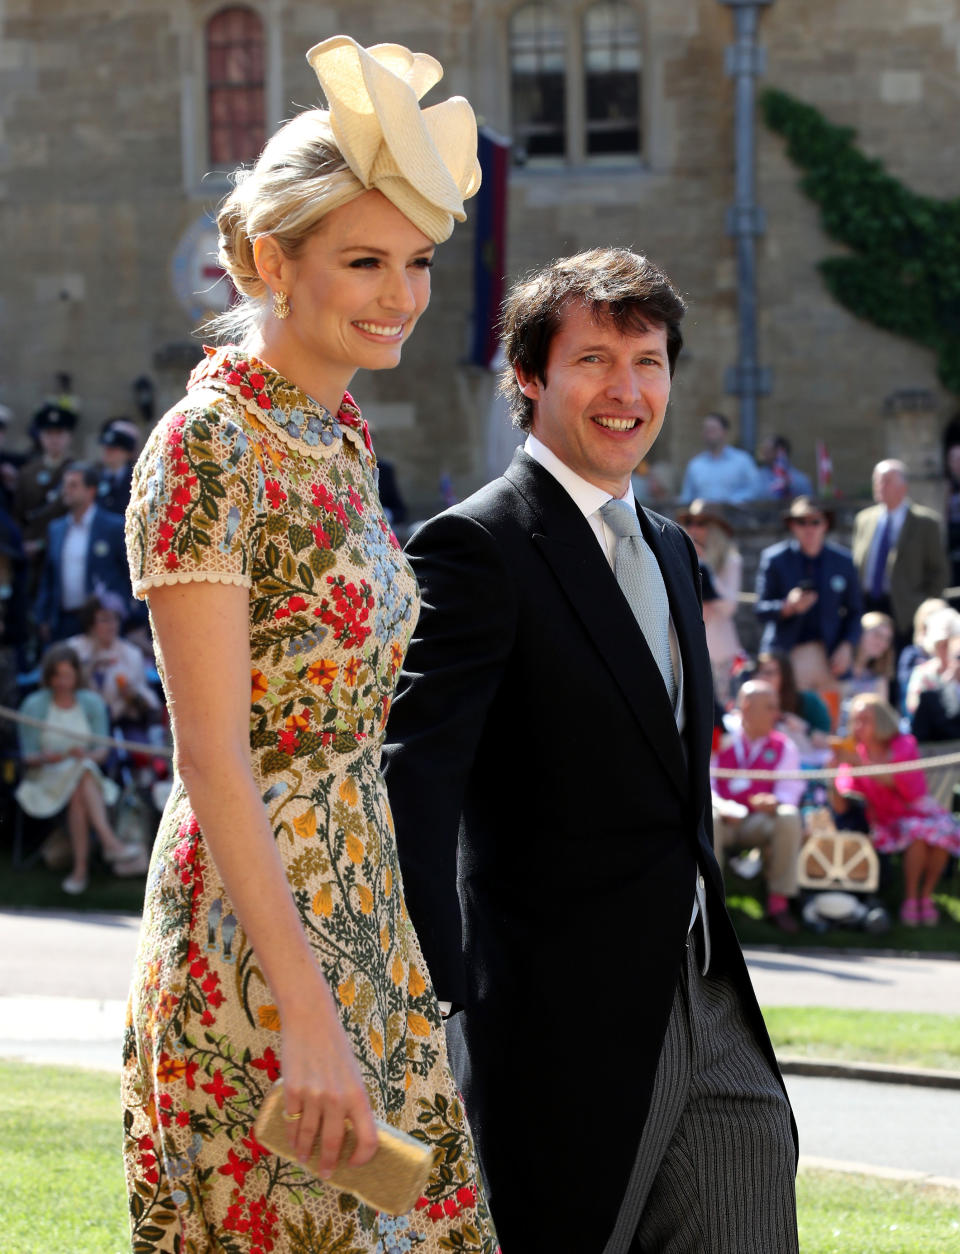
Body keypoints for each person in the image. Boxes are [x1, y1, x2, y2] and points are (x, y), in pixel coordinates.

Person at [120, 36, 498, 1254]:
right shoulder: (205, 447)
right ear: (269, 262)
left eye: (418, 262)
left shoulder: (338, 447)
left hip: (364, 906)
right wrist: (307, 1012)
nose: (400, 293)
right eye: (363, 261)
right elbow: (213, 759)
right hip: (256, 937)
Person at [382, 248, 798, 1253]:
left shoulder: (669, 546)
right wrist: (427, 1011)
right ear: (530, 377)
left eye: (648, 360)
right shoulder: (472, 548)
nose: (628, 389)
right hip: (556, 1023)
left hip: (709, 999)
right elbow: (416, 790)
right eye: (595, 359)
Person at [15, 643, 138, 893]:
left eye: (68, 675)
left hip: (84, 776)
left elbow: (102, 752)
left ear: (77, 676)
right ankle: (109, 843)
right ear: (49, 677)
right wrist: (48, 758)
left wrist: (86, 754)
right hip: (45, 779)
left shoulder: (91, 703)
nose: (63, 682)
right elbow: (27, 757)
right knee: (82, 776)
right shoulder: (34, 705)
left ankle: (80, 871)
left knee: (81, 777)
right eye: (57, 675)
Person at [833, 692, 960, 926]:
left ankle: (926, 896)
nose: (858, 726)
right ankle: (911, 898)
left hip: (916, 811)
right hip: (883, 820)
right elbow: (845, 797)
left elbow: (910, 792)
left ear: (881, 720)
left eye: (865, 720)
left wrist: (862, 766)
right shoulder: (854, 751)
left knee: (942, 831)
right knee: (918, 835)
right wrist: (834, 771)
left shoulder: (903, 745)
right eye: (855, 720)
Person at [712, 680, 804, 932]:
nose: (777, 714)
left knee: (788, 816)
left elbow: (790, 791)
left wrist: (776, 803)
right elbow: (704, 783)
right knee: (708, 816)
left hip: (757, 822)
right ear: (747, 706)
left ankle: (779, 902)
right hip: (722, 820)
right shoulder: (720, 736)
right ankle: (712, 905)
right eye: (770, 707)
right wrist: (723, 806)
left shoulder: (784, 745)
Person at [754, 495, 862, 691]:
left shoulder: (843, 561)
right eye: (801, 522)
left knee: (832, 720)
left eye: (815, 521)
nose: (809, 528)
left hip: (830, 657)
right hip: (788, 655)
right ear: (792, 525)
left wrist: (847, 646)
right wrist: (788, 606)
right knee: (789, 719)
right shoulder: (775, 559)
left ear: (825, 524)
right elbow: (760, 609)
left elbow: (855, 611)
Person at [852, 459, 947, 652]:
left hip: (906, 611)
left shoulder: (925, 523)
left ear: (903, 487)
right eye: (876, 480)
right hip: (868, 606)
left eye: (885, 481)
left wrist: (923, 607)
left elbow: (939, 572)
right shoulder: (864, 519)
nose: (879, 486)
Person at [34, 461, 130, 643]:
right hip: (62, 620)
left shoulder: (113, 527)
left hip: (100, 622)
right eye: (65, 485)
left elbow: (128, 573)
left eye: (73, 485)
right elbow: (48, 576)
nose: (66, 490)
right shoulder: (56, 529)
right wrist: (43, 617)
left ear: (91, 490)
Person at [676, 498, 742, 704]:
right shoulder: (680, 554)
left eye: (701, 523)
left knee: (721, 711)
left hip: (720, 650)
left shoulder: (730, 560)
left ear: (714, 528)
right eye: (690, 523)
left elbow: (729, 605)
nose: (694, 529)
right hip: (688, 645)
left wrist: (706, 568)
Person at [66, 593, 161, 729]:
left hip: (123, 721)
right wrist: (91, 667)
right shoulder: (74, 648)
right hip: (80, 722)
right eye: (105, 620)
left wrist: (132, 695)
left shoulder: (132, 653)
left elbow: (147, 698)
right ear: (91, 623)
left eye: (115, 619)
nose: (112, 625)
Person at [753, 648, 832, 747]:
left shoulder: (809, 702)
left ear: (785, 676)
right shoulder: (751, 704)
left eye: (769, 673)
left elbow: (828, 743)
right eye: (758, 672)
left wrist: (804, 729)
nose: (762, 678)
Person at [679, 410, 761, 503]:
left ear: (724, 431)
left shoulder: (742, 460)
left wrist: (731, 502)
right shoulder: (695, 464)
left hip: (734, 516)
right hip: (703, 516)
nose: (708, 433)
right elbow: (687, 497)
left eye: (713, 429)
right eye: (706, 430)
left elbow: (755, 489)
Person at [845, 610, 896, 706]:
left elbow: (880, 714)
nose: (882, 643)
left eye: (887, 639)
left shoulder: (879, 679)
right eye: (877, 635)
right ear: (860, 632)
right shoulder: (839, 666)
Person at [96, 419, 139, 515]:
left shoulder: (136, 479)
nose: (107, 452)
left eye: (113, 449)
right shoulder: (96, 477)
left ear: (127, 453)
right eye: (106, 448)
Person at [755, 434, 813, 501]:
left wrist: (791, 486)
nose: (764, 454)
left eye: (768, 450)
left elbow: (808, 501)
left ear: (781, 451)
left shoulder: (800, 480)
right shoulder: (759, 476)